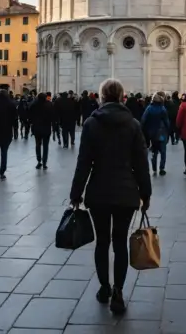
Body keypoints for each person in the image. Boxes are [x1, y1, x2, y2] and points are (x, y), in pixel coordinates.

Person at [70, 79, 151, 316]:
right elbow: (141, 164)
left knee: (102, 242)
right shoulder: (133, 125)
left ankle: (104, 287)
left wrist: (76, 193)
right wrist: (145, 194)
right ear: (123, 96)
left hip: (99, 192)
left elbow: (83, 162)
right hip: (127, 192)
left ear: (102, 97)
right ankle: (118, 291)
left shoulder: (91, 124)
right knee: (120, 242)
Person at [141, 93, 171, 175]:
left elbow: (143, 120)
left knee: (154, 151)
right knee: (163, 151)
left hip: (152, 133)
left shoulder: (149, 108)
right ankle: (162, 168)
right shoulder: (163, 109)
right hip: (162, 133)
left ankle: (154, 168)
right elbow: (167, 122)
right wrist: (169, 131)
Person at [29, 92, 53, 169]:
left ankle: (39, 161)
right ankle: (44, 162)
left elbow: (29, 115)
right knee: (45, 146)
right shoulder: (49, 104)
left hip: (37, 128)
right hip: (46, 128)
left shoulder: (34, 104)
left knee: (38, 145)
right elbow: (53, 116)